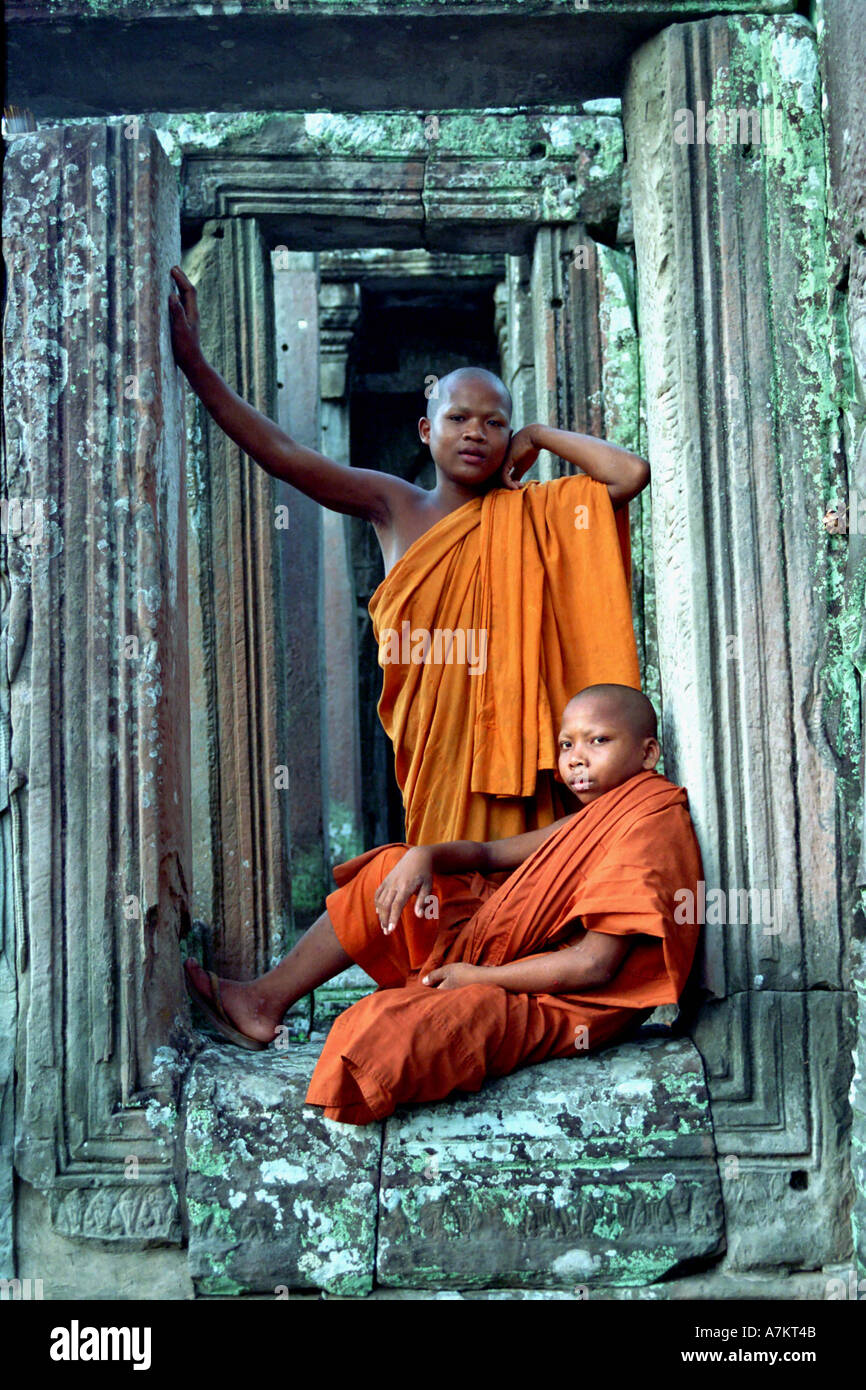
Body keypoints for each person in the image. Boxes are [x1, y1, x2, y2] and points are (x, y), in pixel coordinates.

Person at [168, 267, 650, 843]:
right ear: (426, 430)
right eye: (458, 418)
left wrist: (542, 434)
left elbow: (630, 474)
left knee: (520, 890)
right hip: (439, 740)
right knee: (444, 878)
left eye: (495, 423)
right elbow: (284, 456)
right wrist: (195, 364)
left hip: (524, 740)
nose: (476, 432)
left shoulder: (537, 513)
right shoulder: (396, 505)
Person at [184, 685, 704, 1124]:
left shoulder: (649, 824)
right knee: (392, 870)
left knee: (386, 1035)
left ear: (648, 753)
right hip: (498, 957)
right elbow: (489, 853)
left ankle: (420, 999)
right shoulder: (588, 819)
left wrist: (477, 977)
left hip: (560, 1004)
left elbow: (594, 965)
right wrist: (424, 857)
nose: (576, 758)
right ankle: (263, 1002)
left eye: (598, 740)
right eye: (567, 743)